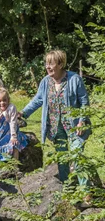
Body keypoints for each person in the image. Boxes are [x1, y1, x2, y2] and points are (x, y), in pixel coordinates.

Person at [18, 50, 92, 203]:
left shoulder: (74, 79)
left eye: (51, 63)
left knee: (77, 156)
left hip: (75, 126)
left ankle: (86, 193)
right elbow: (37, 100)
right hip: (55, 127)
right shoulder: (46, 81)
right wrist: (23, 113)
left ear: (60, 64)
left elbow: (85, 102)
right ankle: (67, 189)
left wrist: (82, 120)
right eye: (46, 63)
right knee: (62, 159)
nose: (47, 67)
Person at [0, 87, 28, 161]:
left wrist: (13, 136)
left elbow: (13, 122)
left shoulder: (11, 108)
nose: (2, 103)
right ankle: (0, 163)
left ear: (8, 100)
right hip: (0, 133)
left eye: (4, 100)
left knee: (14, 144)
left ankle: (15, 164)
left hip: (11, 131)